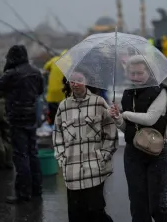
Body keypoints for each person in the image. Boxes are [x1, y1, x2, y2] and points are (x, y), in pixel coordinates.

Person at [109, 55, 167, 222]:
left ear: (149, 73)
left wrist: (126, 114)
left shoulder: (161, 91)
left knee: (157, 206)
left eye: (139, 73)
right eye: (132, 73)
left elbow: (150, 118)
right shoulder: (127, 94)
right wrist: (117, 118)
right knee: (138, 206)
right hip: (133, 153)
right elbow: (126, 127)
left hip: (156, 153)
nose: (135, 77)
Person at [53, 69, 118, 222]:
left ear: (87, 81)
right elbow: (57, 135)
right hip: (72, 173)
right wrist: (62, 159)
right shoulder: (63, 106)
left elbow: (111, 133)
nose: (75, 84)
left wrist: (104, 156)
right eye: (72, 80)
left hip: (95, 170)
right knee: (76, 216)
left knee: (96, 213)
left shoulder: (98, 102)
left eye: (79, 80)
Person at [0, 45, 44, 204]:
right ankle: (37, 189)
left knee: (21, 155)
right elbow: (40, 91)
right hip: (32, 116)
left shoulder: (12, 73)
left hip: (17, 118)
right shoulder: (36, 72)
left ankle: (23, 193)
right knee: (33, 153)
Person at [43, 50, 67, 127]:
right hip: (64, 89)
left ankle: (52, 123)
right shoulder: (71, 62)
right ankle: (63, 124)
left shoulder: (55, 59)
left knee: (52, 107)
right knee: (64, 107)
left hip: (52, 88)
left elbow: (46, 67)